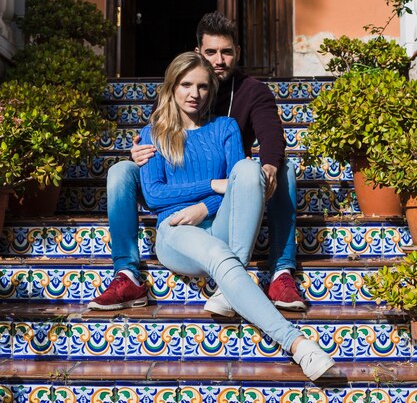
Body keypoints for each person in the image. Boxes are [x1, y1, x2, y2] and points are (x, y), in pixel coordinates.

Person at [96, 51, 334, 382]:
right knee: (222, 256)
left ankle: (228, 289)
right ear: (172, 88)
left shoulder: (226, 127)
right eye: (186, 85)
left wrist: (204, 208)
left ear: (213, 90)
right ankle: (297, 344)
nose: (195, 94)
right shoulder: (154, 134)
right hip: (176, 231)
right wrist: (211, 186)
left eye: (203, 87)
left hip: (217, 223)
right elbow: (154, 196)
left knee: (249, 169)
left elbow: (240, 187)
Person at [88, 11, 303, 314]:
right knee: (121, 171)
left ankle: (281, 270)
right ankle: (128, 273)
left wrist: (266, 168)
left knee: (284, 169)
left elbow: (271, 136)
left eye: (226, 52)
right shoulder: (184, 84)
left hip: (232, 183)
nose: (219, 60)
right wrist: (138, 154)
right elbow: (159, 134)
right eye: (211, 52)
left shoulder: (252, 92)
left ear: (236, 53)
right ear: (198, 52)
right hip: (195, 184)